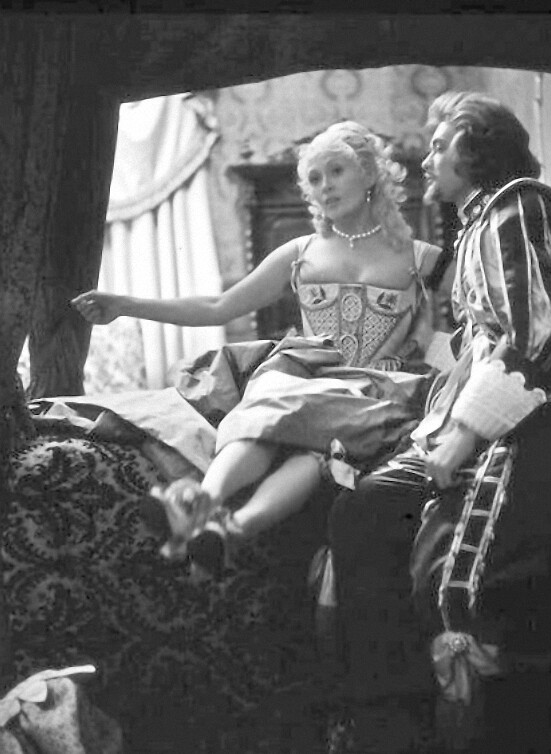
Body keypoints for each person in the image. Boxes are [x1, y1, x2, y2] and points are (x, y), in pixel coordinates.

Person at [325, 92, 551, 751]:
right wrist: (412, 368)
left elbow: (544, 333)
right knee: (361, 508)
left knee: (455, 569)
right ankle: (389, 715)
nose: (427, 158)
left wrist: (462, 434)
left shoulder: (522, 205)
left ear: (479, 149)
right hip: (497, 411)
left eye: (440, 145)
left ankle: (409, 719)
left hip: (542, 418)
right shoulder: (483, 219)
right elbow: (480, 340)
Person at [72, 120, 443, 579]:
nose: (325, 186)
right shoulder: (301, 252)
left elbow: (476, 323)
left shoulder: (422, 258)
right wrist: (126, 305)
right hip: (313, 376)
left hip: (376, 390)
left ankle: (218, 523)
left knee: (302, 433)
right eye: (315, 178)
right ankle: (207, 509)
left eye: (337, 171)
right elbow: (219, 306)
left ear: (370, 174)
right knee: (285, 424)